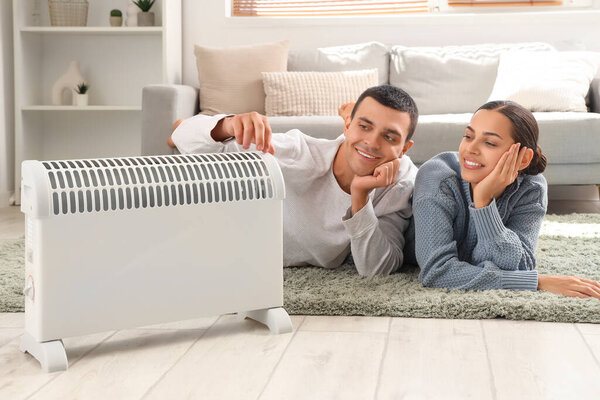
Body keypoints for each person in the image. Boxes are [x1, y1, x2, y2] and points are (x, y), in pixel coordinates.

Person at [169, 85, 419, 276]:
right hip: (215, 241)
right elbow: (183, 139)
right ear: (347, 125)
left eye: (389, 137)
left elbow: (376, 269)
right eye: (364, 126)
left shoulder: (399, 181)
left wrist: (360, 197)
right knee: (183, 136)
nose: (374, 143)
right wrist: (228, 124)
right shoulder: (296, 153)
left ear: (405, 148)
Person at [411, 100, 600, 299]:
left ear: (523, 159)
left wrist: (483, 202)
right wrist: (535, 282)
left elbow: (520, 264)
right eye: (468, 136)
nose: (470, 149)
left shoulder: (531, 187)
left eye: (490, 143)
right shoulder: (437, 177)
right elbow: (436, 272)